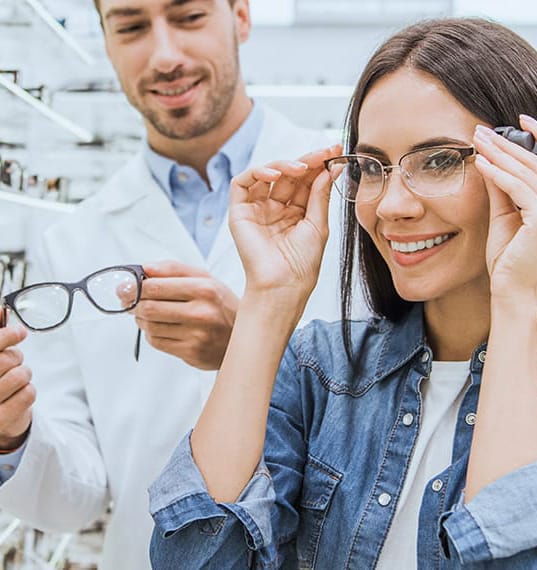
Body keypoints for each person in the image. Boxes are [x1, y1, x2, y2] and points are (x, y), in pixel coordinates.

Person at [149, 17, 537, 569]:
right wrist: (269, 300)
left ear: (529, 165)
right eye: (372, 167)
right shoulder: (317, 371)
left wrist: (517, 301)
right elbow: (195, 561)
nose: (392, 204)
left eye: (438, 160)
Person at [0, 1, 343, 569]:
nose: (164, 56)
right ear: (105, 40)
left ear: (240, 16)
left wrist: (247, 345)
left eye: (187, 17)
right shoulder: (72, 239)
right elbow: (77, 498)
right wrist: (12, 437)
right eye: (132, 27)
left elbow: (399, 422)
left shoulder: (348, 194)